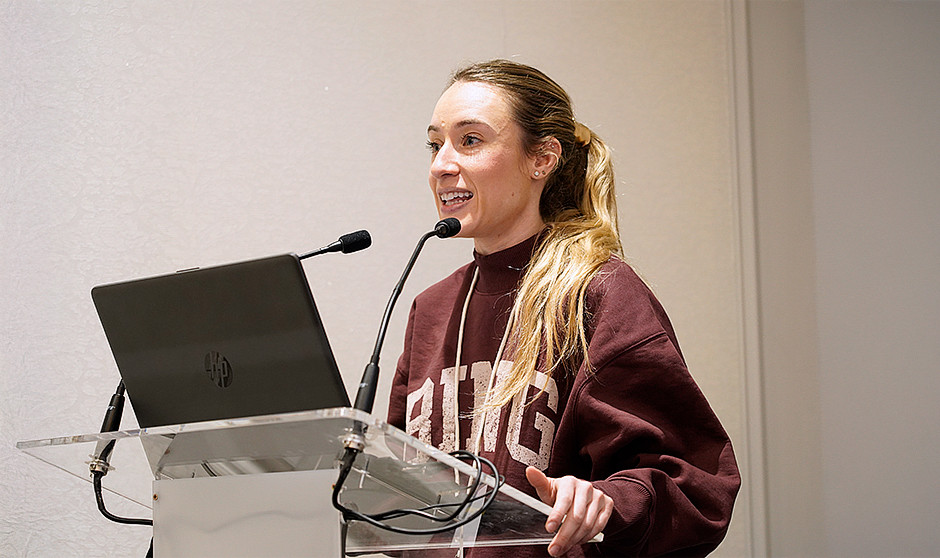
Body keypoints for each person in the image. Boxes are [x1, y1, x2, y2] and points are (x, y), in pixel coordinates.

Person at [387, 59, 740, 557]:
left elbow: (695, 483)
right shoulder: (431, 308)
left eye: (470, 141)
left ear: (542, 159)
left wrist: (604, 500)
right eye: (434, 144)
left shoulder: (599, 292)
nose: (442, 164)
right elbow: (396, 495)